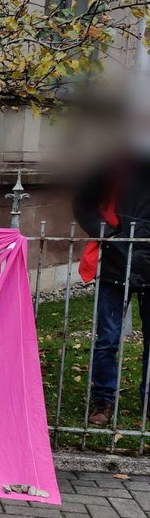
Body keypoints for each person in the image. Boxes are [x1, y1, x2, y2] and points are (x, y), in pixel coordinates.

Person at [73, 146, 150, 427]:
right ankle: (103, 399)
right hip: (115, 262)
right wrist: (109, 235)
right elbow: (84, 204)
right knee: (108, 339)